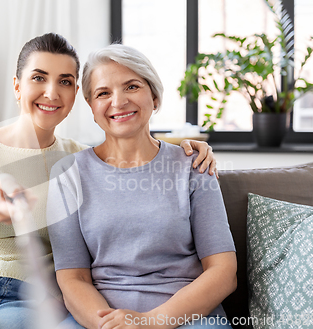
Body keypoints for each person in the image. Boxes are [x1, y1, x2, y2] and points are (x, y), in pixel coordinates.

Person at [0, 33, 218, 329]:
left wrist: (190, 149)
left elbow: (129, 154)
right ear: (17, 86)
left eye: (64, 82)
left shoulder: (78, 161)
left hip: (26, 296)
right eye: (38, 78)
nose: (51, 92)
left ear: (76, 95)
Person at [47, 44, 237, 329]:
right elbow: (74, 278)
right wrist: (110, 326)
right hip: (100, 318)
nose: (118, 101)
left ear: (154, 96)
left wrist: (151, 322)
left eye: (131, 87)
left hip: (187, 317)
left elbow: (223, 271)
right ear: (91, 106)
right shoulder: (67, 175)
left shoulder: (193, 165)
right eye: (103, 93)